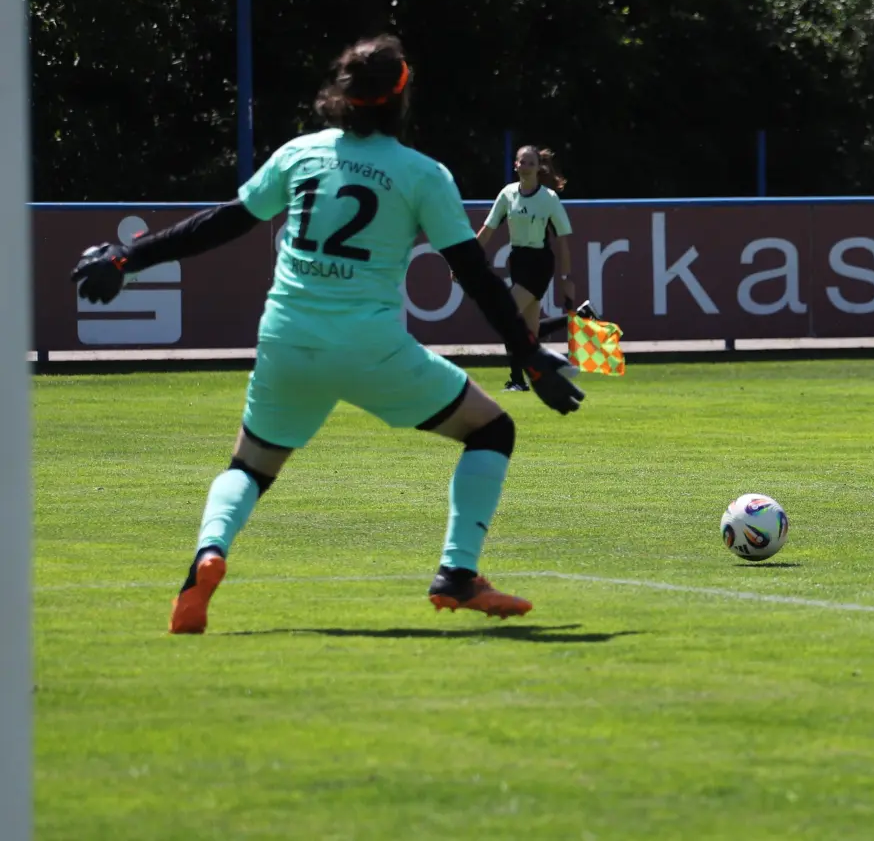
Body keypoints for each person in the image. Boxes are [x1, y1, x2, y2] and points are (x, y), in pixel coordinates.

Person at [70, 35, 585, 633]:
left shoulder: (300, 154)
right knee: (491, 429)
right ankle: (457, 572)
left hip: (288, 339)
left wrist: (125, 260)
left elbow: (220, 224)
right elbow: (475, 276)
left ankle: (205, 561)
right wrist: (531, 356)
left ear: (340, 95)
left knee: (250, 466)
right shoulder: (422, 174)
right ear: (401, 97)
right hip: (371, 347)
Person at [478, 145, 576, 391]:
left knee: (507, 315)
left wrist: (566, 277)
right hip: (518, 261)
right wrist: (464, 259)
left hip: (539, 263)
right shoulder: (508, 194)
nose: (526, 167)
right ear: (516, 165)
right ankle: (575, 324)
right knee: (529, 331)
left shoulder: (549, 199)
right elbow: (487, 230)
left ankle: (517, 380)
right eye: (523, 162)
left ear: (537, 168)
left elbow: (563, 241)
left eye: (531, 163)